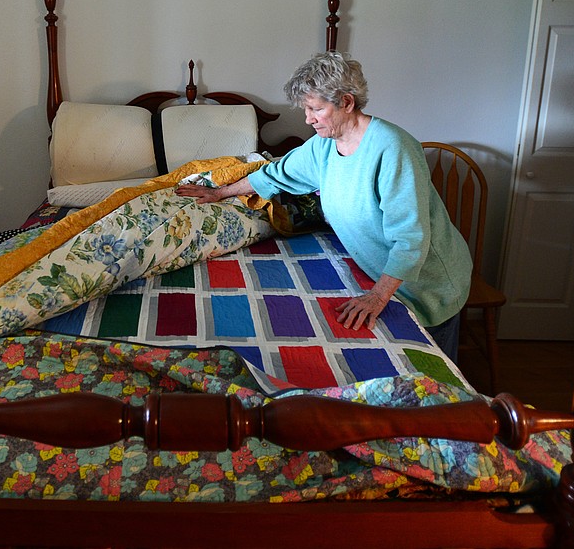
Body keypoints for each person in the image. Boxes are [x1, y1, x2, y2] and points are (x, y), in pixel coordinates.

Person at [176, 51, 471, 361]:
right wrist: (221, 192)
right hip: (384, 274)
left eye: (316, 109)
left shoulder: (393, 149)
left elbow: (410, 238)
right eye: (306, 108)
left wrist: (377, 296)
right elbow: (277, 175)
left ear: (346, 102)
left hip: (429, 283)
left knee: (434, 376)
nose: (308, 118)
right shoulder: (324, 145)